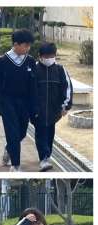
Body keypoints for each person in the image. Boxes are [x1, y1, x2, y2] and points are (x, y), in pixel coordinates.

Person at [0, 29, 38, 171]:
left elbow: (34, 87)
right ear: (16, 44)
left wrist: (35, 108)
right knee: (12, 133)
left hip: (24, 103)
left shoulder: (30, 61)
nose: (28, 48)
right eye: (26, 45)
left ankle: (9, 149)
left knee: (22, 132)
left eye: (29, 46)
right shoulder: (2, 62)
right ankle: (16, 166)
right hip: (7, 102)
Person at [34, 42, 73, 172]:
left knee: (50, 133)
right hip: (37, 110)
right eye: (46, 56)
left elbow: (67, 88)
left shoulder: (60, 70)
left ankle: (46, 155)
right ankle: (44, 158)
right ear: (40, 56)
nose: (49, 59)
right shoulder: (34, 69)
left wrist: (66, 106)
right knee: (40, 132)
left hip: (54, 110)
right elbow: (28, 90)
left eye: (51, 56)